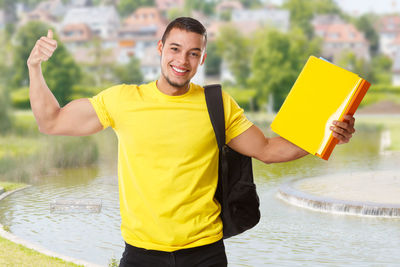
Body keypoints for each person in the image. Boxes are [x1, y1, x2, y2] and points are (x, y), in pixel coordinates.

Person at [27, 17, 356, 267]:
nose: (182, 61)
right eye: (175, 49)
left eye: (193, 53)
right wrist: (35, 67)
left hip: (205, 253)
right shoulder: (123, 100)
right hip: (142, 254)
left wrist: (328, 135)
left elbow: (268, 150)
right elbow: (51, 121)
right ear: (160, 48)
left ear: (202, 58)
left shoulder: (217, 103)